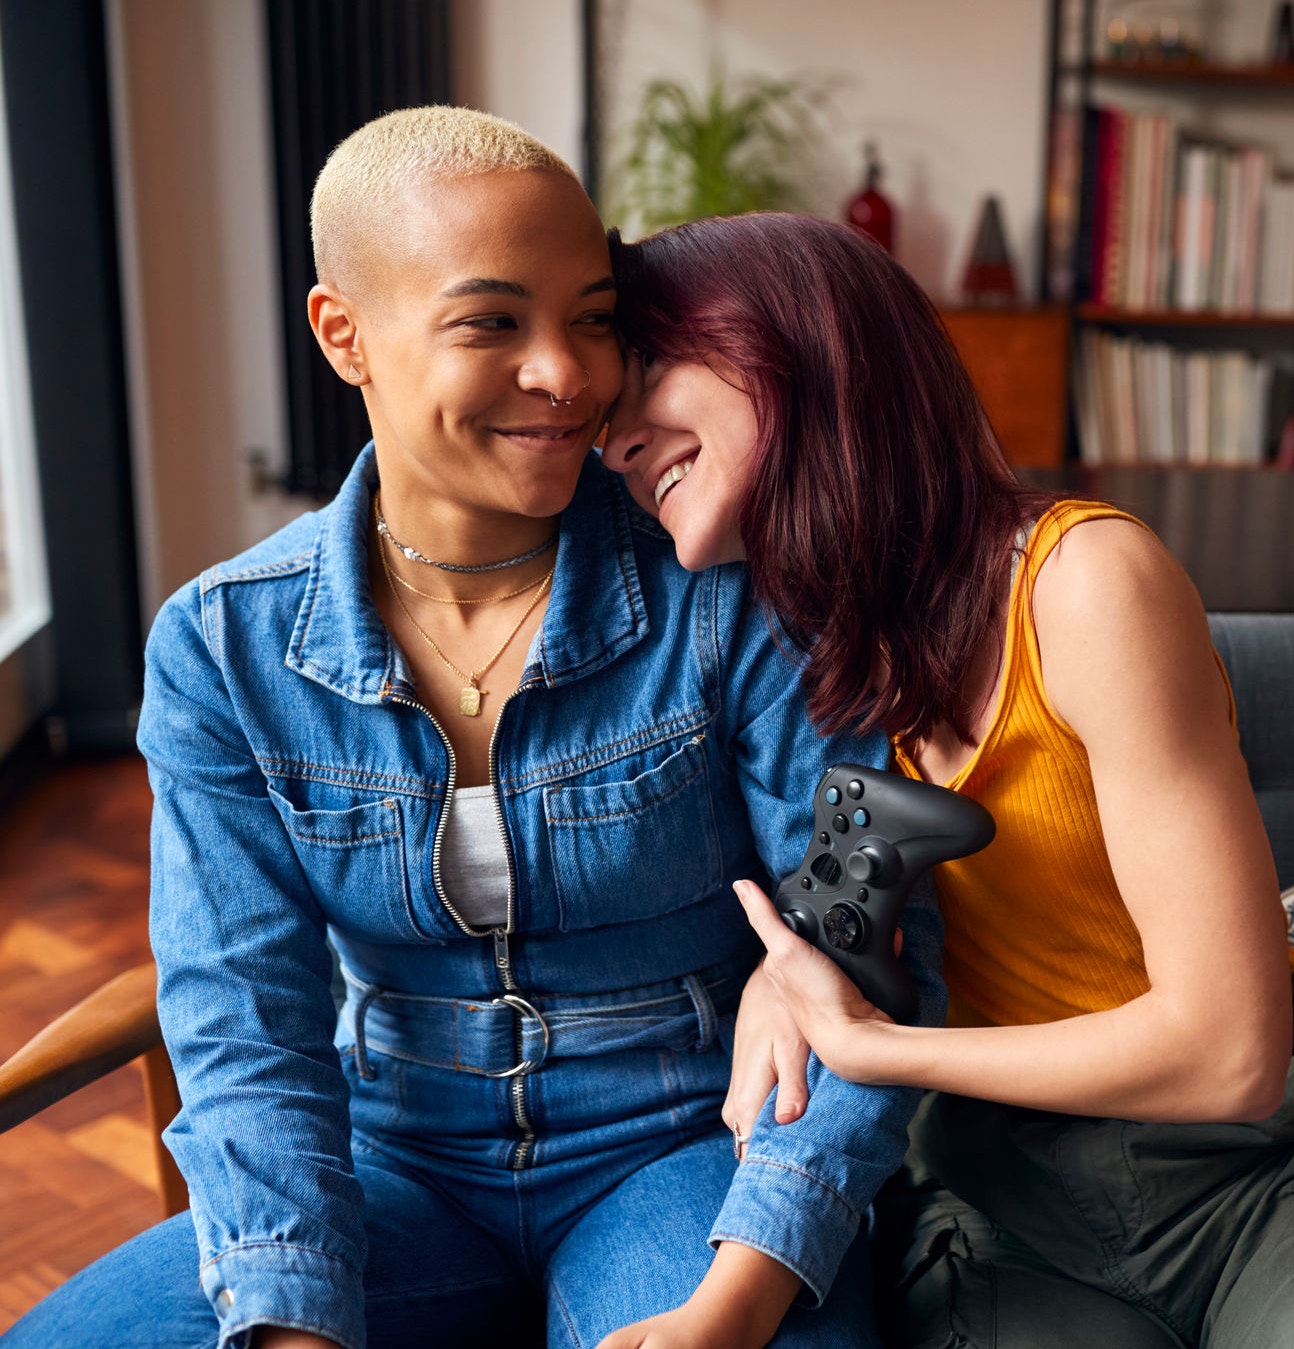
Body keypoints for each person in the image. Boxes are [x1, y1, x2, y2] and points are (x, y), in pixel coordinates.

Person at [0, 111, 946, 1349]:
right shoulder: (223, 647)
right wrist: (290, 1317)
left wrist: (749, 1279)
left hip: (691, 1146)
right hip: (390, 1163)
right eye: (491, 322)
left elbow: (867, 948)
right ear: (343, 333)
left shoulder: (721, 582)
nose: (566, 373)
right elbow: (243, 1023)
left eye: (593, 318)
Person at [602, 210, 1294, 1348]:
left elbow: (1232, 1051)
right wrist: (780, 972)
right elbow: (838, 910)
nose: (614, 441)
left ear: (794, 344)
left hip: (1250, 1175)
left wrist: (883, 1050)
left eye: (650, 368)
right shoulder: (801, 657)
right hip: (1001, 1203)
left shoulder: (1085, 582)